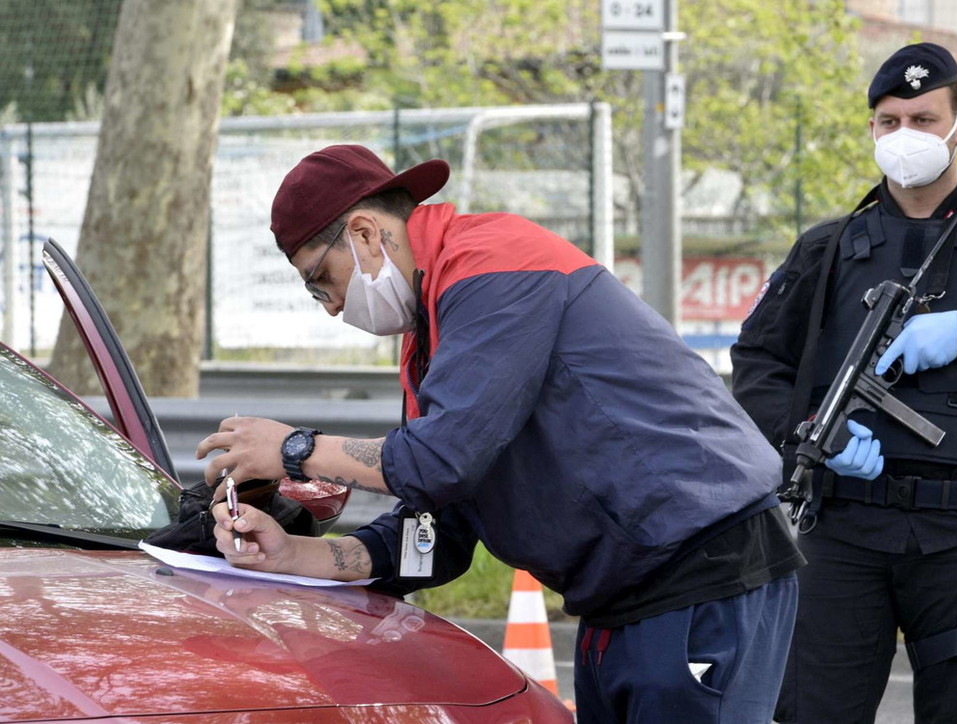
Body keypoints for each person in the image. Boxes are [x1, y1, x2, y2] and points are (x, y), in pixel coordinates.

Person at [195, 143, 806, 723]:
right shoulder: (430, 329)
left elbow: (440, 460)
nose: (328, 305)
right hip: (620, 596)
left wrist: (294, 450)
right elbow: (440, 530)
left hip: (701, 574)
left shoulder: (493, 264)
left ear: (361, 233)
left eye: (318, 279)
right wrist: (295, 555)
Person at [730, 43, 957, 724]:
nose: (906, 135)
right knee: (812, 712)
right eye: (890, 120)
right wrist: (817, 434)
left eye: (925, 118)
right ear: (872, 129)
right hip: (843, 523)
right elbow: (755, 368)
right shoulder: (827, 250)